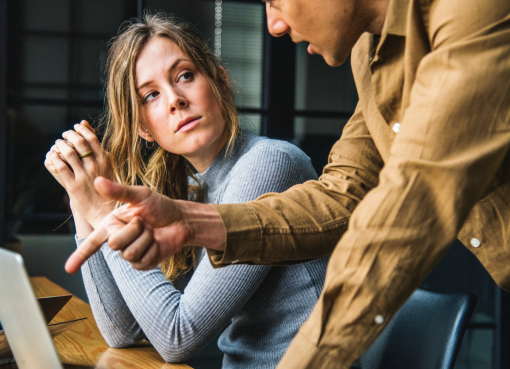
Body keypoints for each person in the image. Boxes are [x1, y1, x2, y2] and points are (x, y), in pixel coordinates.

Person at [67, 0, 510, 368]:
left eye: (275, 0)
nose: (274, 25)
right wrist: (191, 219)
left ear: (219, 80)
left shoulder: (473, 13)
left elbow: (411, 204)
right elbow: (343, 194)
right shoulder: (369, 56)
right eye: (151, 95)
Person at [45, 14, 329, 368]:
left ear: (220, 81)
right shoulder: (193, 189)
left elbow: (176, 337)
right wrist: (81, 197)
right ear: (144, 129)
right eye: (150, 95)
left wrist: (103, 211)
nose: (174, 100)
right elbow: (123, 332)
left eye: (185, 76)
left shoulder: (270, 164)